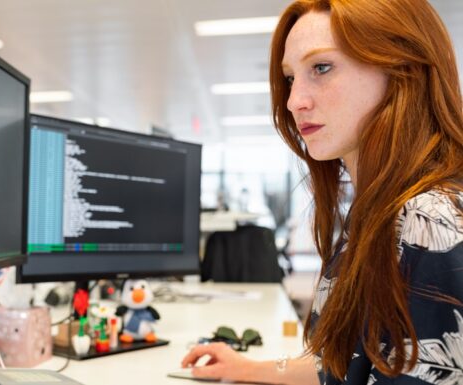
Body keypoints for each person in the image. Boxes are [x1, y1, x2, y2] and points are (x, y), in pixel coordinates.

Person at [181, 0, 463, 384]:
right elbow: (354, 364)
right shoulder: (382, 210)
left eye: (322, 67)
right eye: (291, 78)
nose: (294, 100)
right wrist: (244, 368)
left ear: (403, 69)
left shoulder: (428, 221)